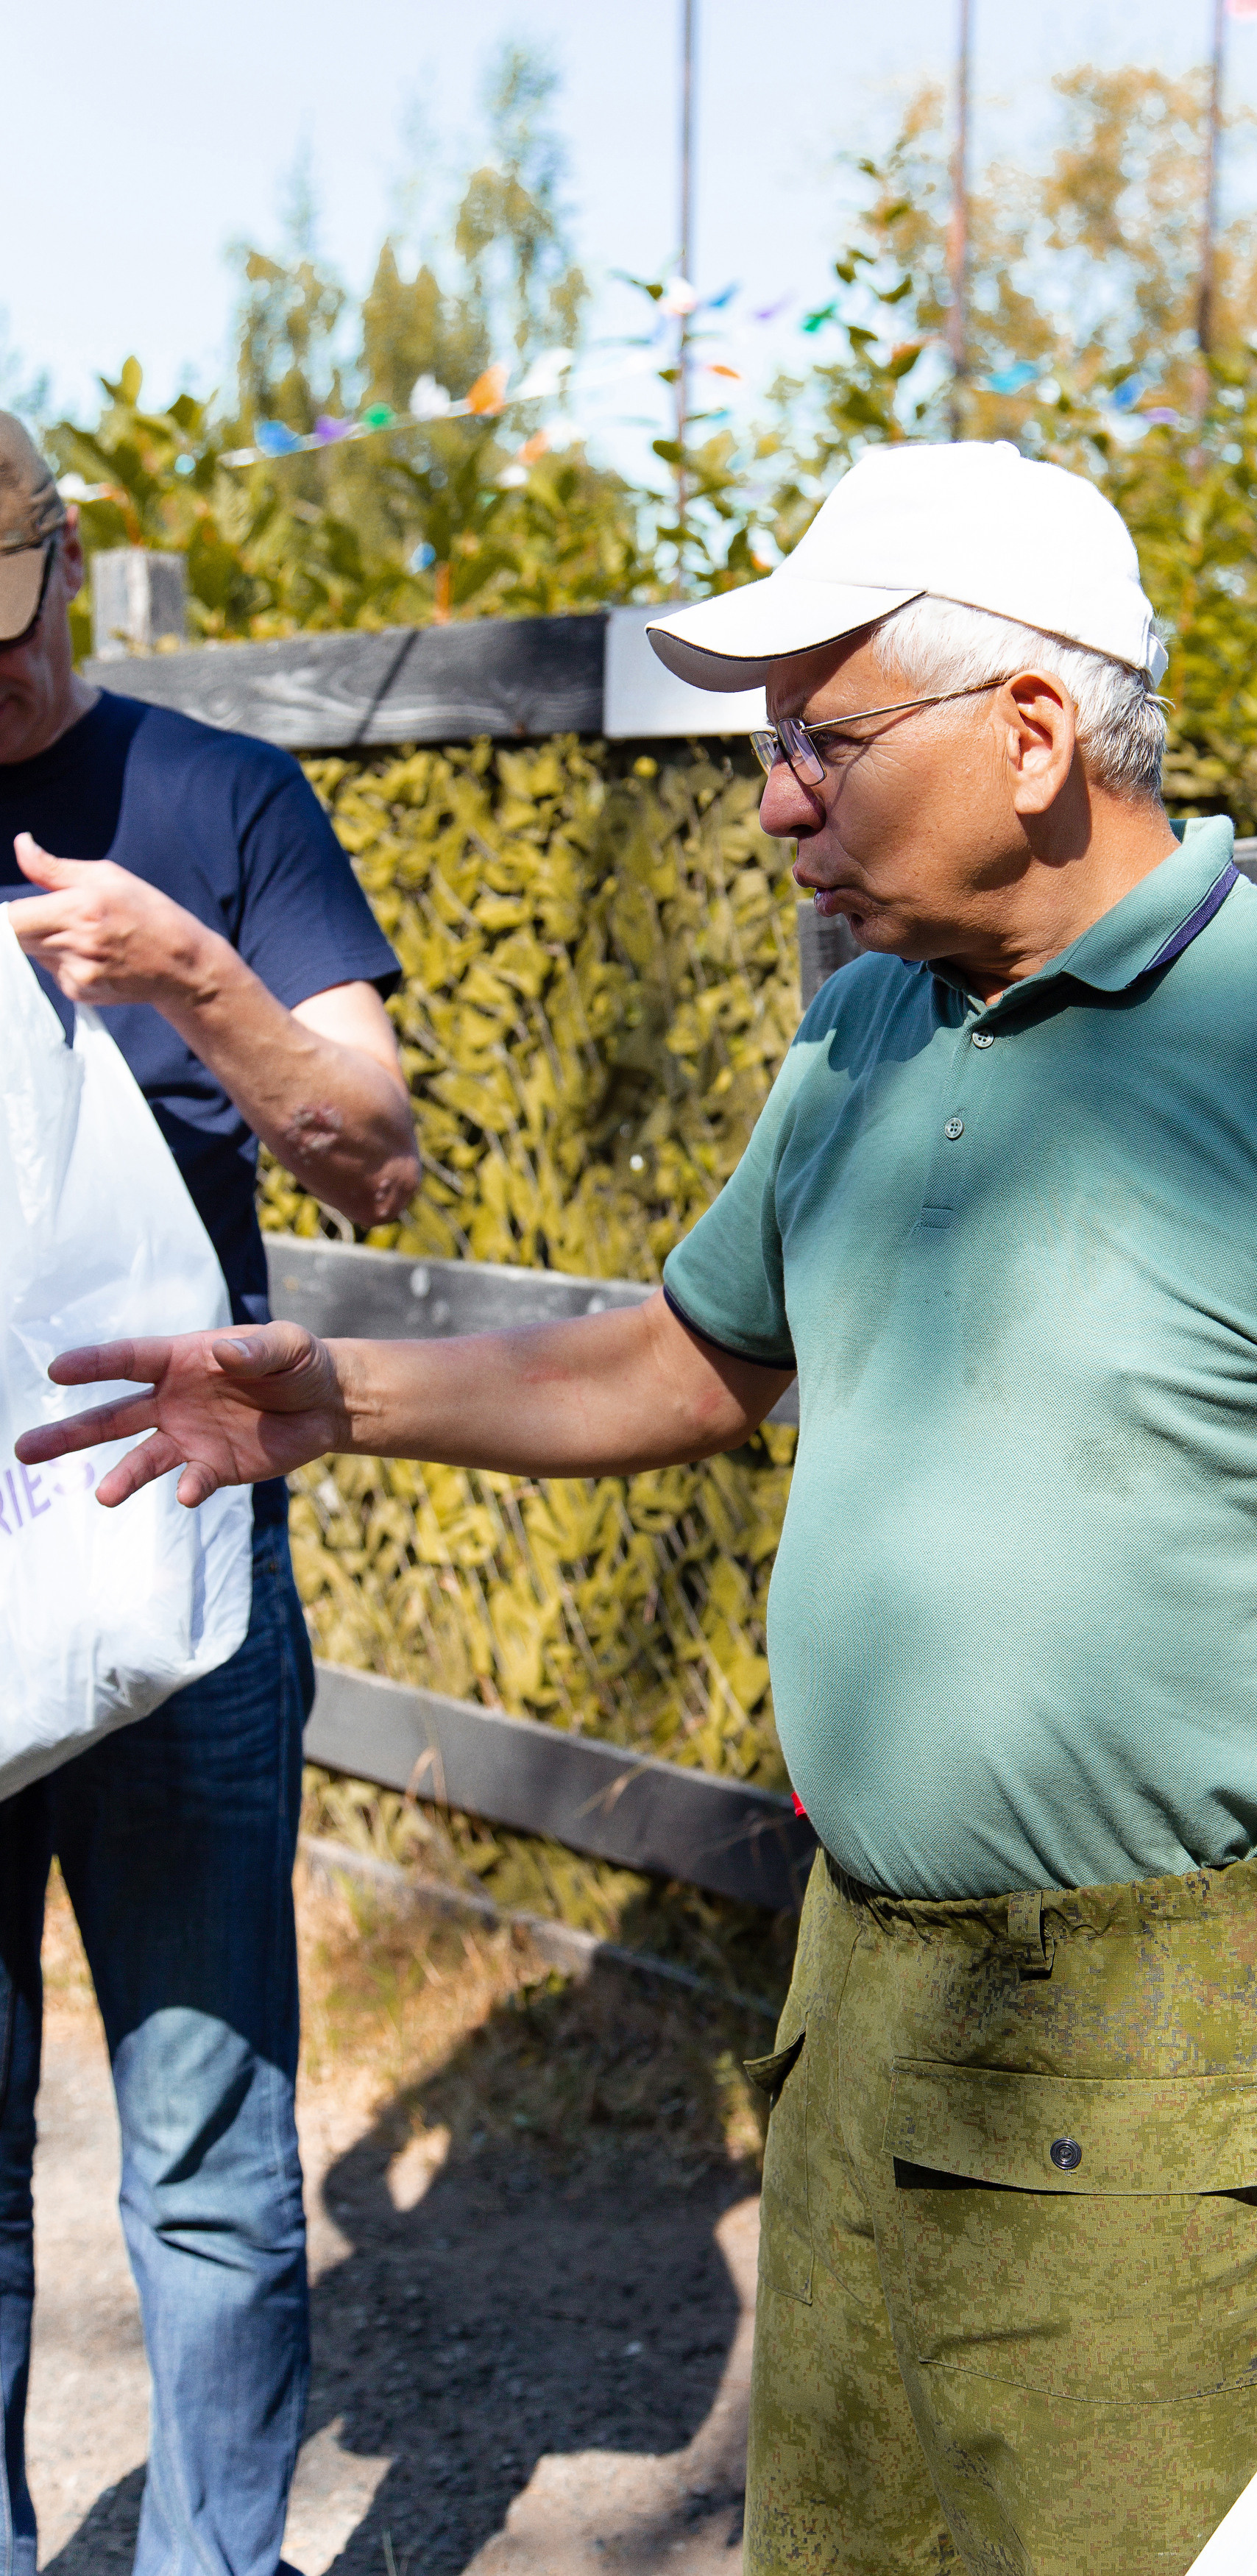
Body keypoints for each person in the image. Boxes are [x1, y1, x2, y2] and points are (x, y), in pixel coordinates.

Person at [16, 439, 1257, 2576]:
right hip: (869, 2015)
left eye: (821, 736)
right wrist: (338, 1396)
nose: (776, 796)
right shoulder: (875, 1025)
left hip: (1182, 2062)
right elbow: (692, 1358)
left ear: (1036, 732)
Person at [0, 410, 419, 2576]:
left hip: (174, 1548)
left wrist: (194, 977)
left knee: (205, 2141)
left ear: (63, 565)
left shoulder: (221, 804)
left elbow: (376, 1144)